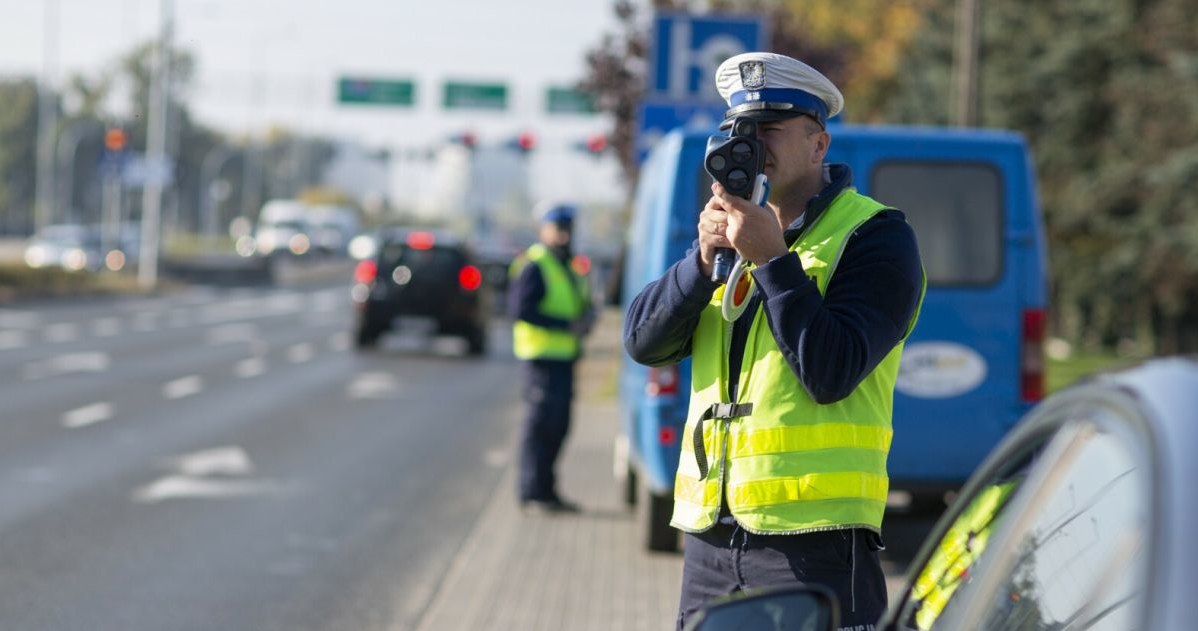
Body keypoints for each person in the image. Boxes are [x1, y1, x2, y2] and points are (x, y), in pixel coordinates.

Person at [623, 52, 926, 630]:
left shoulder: (877, 237)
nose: (751, 145)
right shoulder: (728, 241)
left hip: (815, 546)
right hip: (712, 538)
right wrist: (702, 259)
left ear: (818, 145)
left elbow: (831, 369)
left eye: (770, 130)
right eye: (739, 131)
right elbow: (643, 342)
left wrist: (773, 261)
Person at [509, 202, 594, 514]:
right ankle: (531, 492)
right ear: (543, 230)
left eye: (567, 228)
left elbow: (579, 302)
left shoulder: (570, 264)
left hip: (565, 358)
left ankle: (546, 490)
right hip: (541, 359)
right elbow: (521, 310)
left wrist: (587, 317)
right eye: (557, 228)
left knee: (559, 426)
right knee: (540, 427)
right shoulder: (535, 264)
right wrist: (566, 325)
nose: (563, 234)